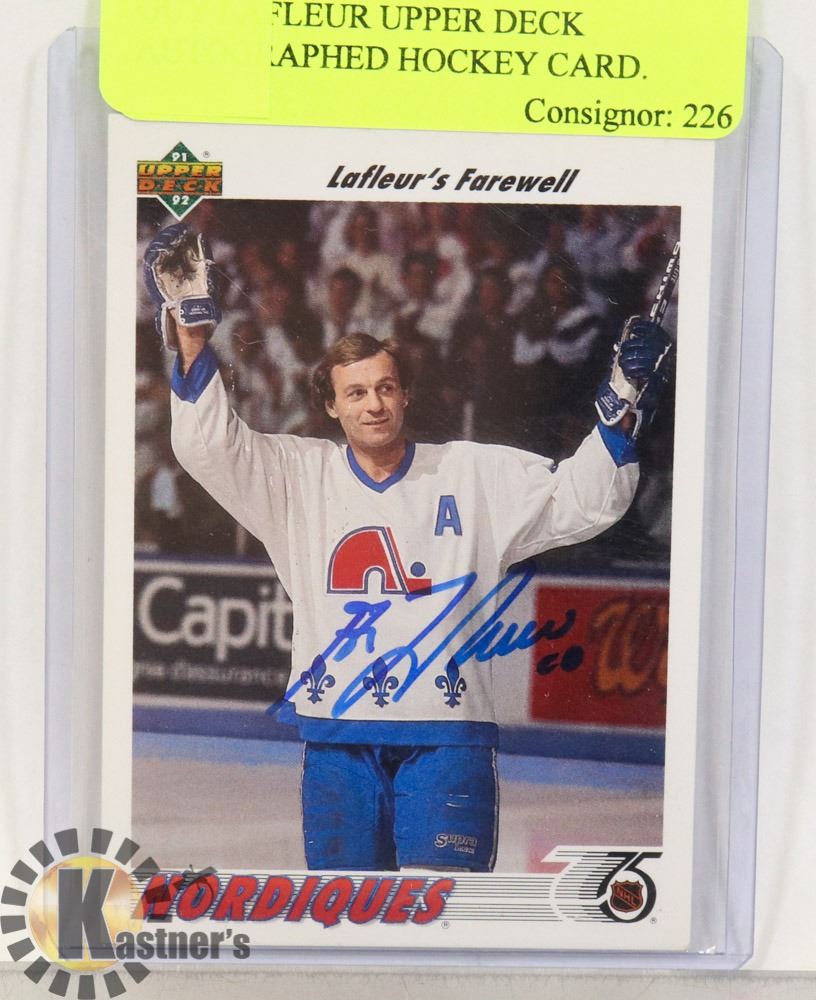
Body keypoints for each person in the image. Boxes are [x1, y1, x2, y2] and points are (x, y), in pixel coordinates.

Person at [144, 224, 671, 873]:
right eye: (356, 393)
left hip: (447, 745)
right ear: (330, 406)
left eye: (386, 388)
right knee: (344, 919)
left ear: (406, 394)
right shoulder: (296, 476)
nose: (374, 405)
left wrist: (622, 405)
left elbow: (585, 500)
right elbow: (206, 448)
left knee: (446, 916)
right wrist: (192, 338)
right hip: (338, 745)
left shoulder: (471, 472)